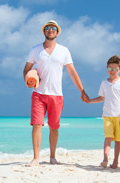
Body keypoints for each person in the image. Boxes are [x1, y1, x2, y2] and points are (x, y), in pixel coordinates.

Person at [23, 20, 89, 166]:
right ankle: (36, 158)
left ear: (57, 32)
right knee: (37, 125)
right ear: (44, 31)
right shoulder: (35, 50)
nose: (50, 30)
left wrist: (82, 91)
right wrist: (29, 80)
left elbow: (72, 72)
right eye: (48, 28)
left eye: (53, 28)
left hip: (56, 94)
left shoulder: (64, 50)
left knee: (54, 127)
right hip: (38, 93)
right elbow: (26, 70)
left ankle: (52, 157)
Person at [85, 55, 120, 169]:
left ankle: (115, 161)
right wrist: (90, 101)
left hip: (119, 116)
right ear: (107, 69)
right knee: (108, 138)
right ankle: (105, 159)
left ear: (119, 69)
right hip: (107, 115)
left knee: (118, 140)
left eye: (115, 69)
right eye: (110, 68)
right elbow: (101, 98)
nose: (112, 71)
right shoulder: (104, 83)